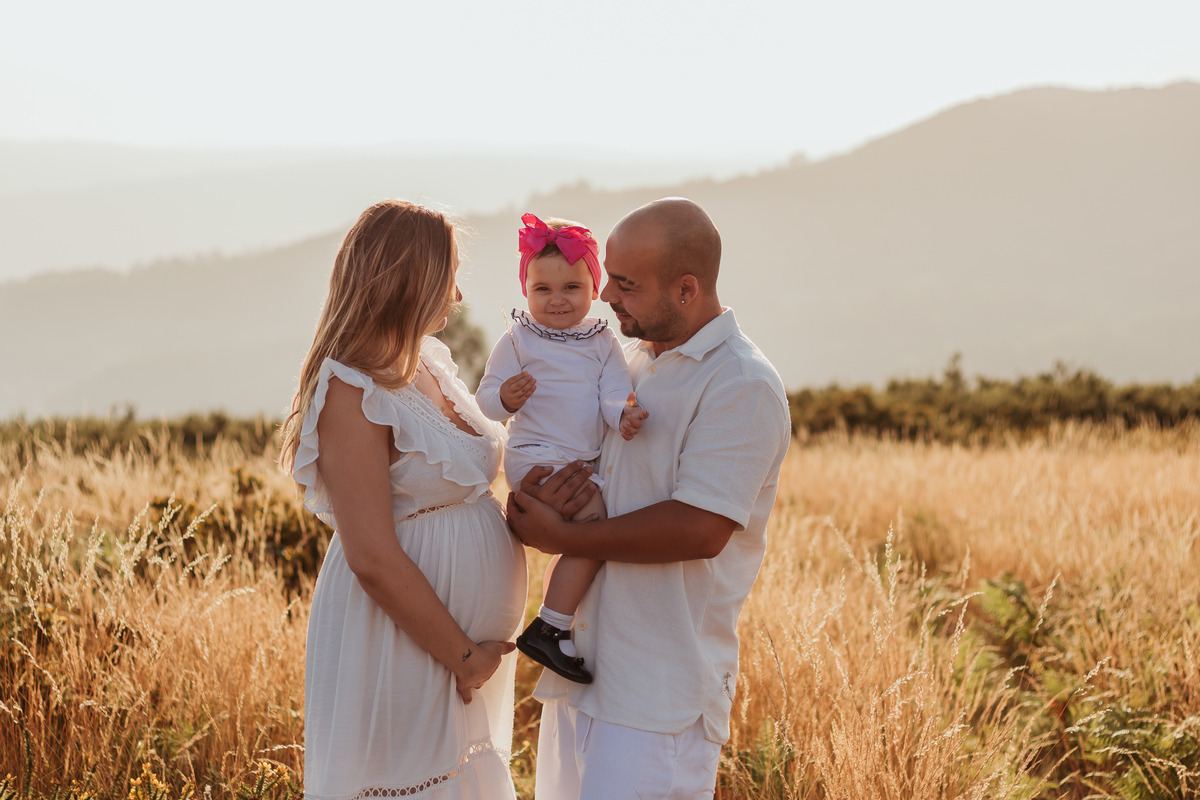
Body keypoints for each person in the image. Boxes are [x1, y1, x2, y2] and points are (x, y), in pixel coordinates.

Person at [507, 198, 792, 800]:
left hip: (658, 697)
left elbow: (699, 528)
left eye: (627, 285)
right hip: (579, 673)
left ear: (686, 289)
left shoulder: (740, 383)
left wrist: (563, 539)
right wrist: (537, 500)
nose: (605, 294)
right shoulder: (627, 361)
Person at [279, 200, 526, 800]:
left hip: (461, 650)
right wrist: (464, 655)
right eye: (449, 275)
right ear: (410, 279)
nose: (459, 293)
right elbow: (371, 555)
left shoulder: (431, 362)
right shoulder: (348, 389)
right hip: (405, 640)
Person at [476, 213, 648, 685]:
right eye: (542, 290)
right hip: (534, 454)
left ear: (595, 288)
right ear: (526, 292)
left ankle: (555, 620)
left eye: (571, 287)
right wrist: (505, 398)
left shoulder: (601, 341)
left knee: (576, 534)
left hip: (579, 459)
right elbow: (486, 400)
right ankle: (552, 625)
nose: (556, 301)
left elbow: (613, 391)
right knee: (593, 525)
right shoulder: (517, 339)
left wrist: (623, 415)